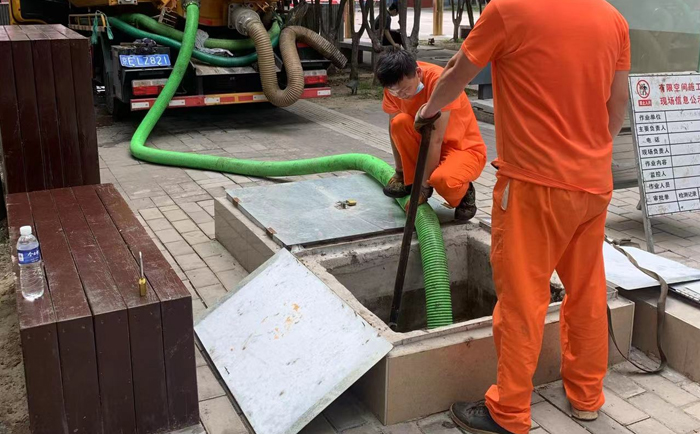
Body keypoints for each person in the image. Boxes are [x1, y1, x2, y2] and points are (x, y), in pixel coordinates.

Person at [414, 0, 631, 432]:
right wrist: (588, 155)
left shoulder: (508, 10)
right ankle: (587, 397)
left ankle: (509, 411)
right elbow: (617, 105)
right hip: (593, 185)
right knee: (586, 291)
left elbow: (456, 71)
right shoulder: (613, 19)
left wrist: (429, 109)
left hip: (534, 187)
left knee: (522, 300)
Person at [377, 49, 487, 220]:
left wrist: (424, 189)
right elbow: (394, 130)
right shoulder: (394, 86)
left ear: (418, 72)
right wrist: (400, 172)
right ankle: (410, 181)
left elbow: (436, 139)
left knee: (442, 179)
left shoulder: (440, 82)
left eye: (405, 90)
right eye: (395, 92)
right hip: (427, 142)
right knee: (399, 122)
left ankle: (465, 193)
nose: (401, 96)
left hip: (462, 148)